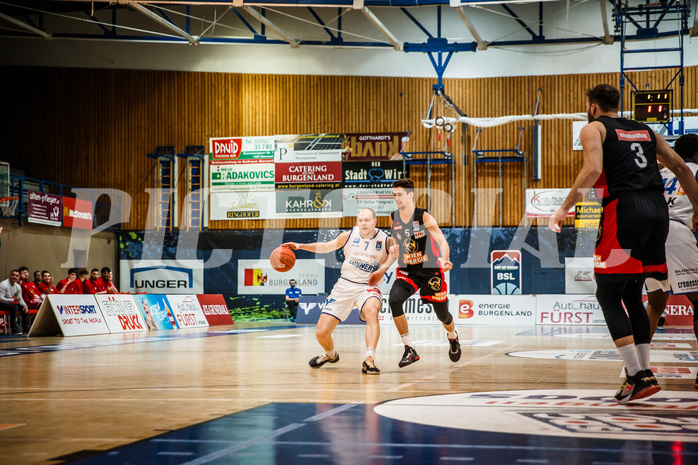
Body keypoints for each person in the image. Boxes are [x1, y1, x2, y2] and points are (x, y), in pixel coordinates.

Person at [548, 84, 698, 404]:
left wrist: (563, 209)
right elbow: (682, 167)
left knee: (607, 292)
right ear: (619, 104)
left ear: (592, 107)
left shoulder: (594, 128)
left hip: (624, 211)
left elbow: (593, 169)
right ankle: (643, 374)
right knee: (632, 291)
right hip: (658, 213)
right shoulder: (646, 130)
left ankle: (637, 374)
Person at [282, 208, 391, 374]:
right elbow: (325, 247)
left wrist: (382, 269)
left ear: (375, 221)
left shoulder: (385, 240)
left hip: (368, 287)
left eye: (367, 220)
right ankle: (330, 355)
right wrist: (300, 246)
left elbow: (395, 255)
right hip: (344, 286)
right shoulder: (348, 236)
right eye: (360, 220)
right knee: (321, 333)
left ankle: (369, 359)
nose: (363, 223)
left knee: (372, 312)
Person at [371, 178, 461, 368]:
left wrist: (445, 260)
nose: (396, 198)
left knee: (443, 316)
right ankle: (409, 349)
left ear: (411, 195)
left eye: (400, 194)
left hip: (430, 271)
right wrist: (382, 269)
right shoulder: (393, 217)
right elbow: (395, 250)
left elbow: (443, 242)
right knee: (394, 300)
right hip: (407, 271)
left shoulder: (424, 216)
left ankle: (453, 337)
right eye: (394, 195)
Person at [643, 134, 698, 389]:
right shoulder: (693, 171)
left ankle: (638, 368)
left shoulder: (661, 173)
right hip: (676, 232)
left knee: (655, 304)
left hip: (650, 237)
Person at [0, 269, 29, 334]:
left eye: (16, 276)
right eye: (13, 275)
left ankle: (25, 329)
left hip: (8, 303)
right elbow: (0, 299)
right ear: (10, 275)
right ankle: (14, 329)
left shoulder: (17, 286)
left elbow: (20, 299)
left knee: (24, 308)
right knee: (14, 307)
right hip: (1, 303)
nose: (14, 277)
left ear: (19, 277)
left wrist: (24, 305)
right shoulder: (3, 284)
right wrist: (13, 300)